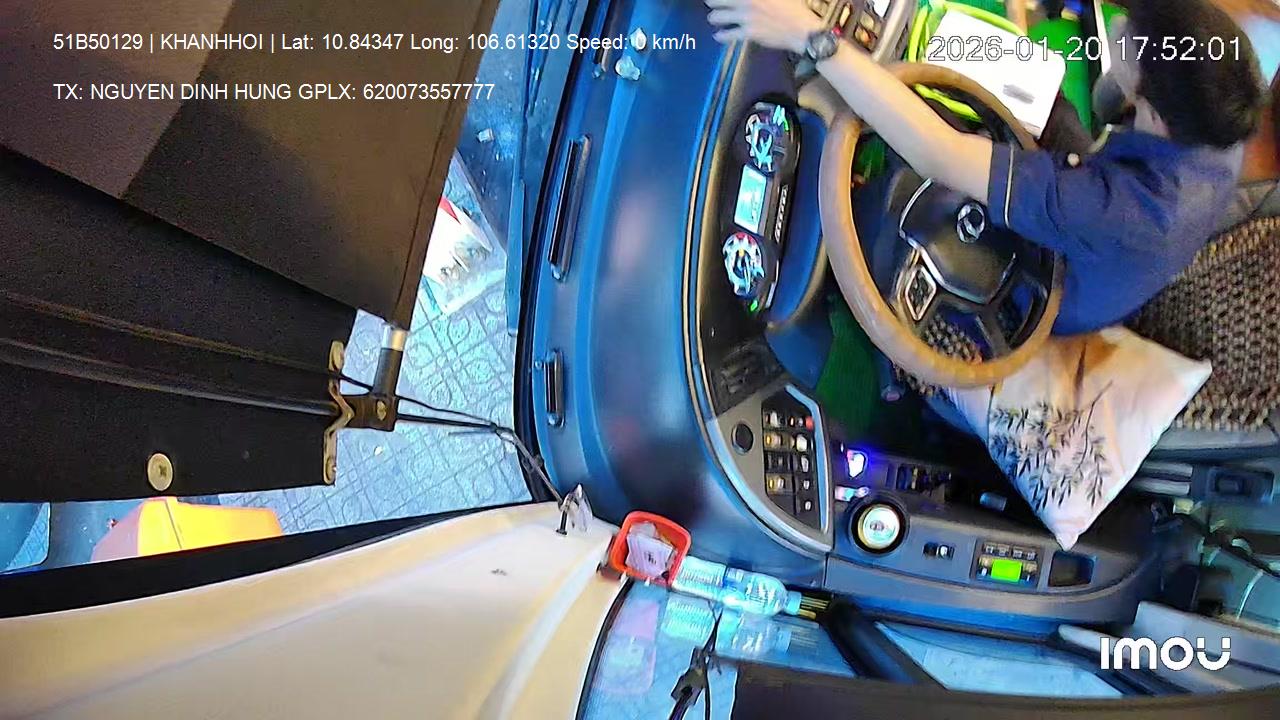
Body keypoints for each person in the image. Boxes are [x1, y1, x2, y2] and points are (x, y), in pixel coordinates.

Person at [705, 0, 1267, 334]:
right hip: (1103, 204)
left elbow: (941, 154)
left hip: (1040, 283)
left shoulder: (1110, 208)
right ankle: (899, 40)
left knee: (904, 189)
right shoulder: (1221, 114)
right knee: (1026, 74)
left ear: (1153, 111)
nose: (1117, 28)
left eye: (1128, 40)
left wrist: (813, 38)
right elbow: (1113, 95)